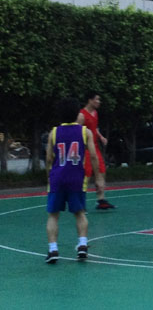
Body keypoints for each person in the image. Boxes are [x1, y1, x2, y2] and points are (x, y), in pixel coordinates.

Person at [45, 98, 99, 263]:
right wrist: (97, 177)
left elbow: (48, 158)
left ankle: (53, 249)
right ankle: (82, 245)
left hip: (58, 178)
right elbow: (93, 156)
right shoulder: (85, 132)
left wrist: (49, 175)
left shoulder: (54, 133)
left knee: (53, 215)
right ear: (77, 113)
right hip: (76, 178)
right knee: (80, 213)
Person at [77, 91, 114, 210]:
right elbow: (77, 132)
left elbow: (95, 127)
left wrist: (101, 136)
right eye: (97, 99)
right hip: (86, 149)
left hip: (95, 147)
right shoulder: (81, 115)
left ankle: (101, 200)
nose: (99, 102)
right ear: (90, 100)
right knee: (86, 175)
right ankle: (80, 204)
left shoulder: (95, 113)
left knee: (101, 171)